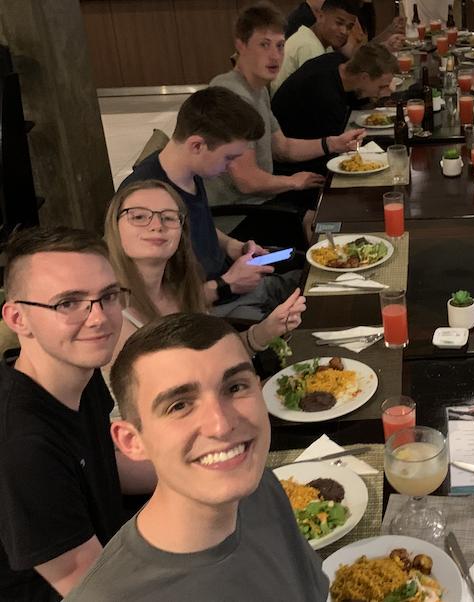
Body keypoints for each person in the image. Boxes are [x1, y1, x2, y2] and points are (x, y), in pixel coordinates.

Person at [65, 313, 329, 600]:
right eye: (179, 406)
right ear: (132, 441)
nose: (221, 424)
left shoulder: (261, 487)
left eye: (235, 387)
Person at [0, 227, 155, 601]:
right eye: (68, 303)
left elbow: (105, 466)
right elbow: (93, 589)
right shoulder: (22, 445)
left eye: (108, 296)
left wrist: (204, 465)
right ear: (17, 318)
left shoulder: (77, 373)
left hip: (115, 549)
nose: (99, 318)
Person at [122, 87, 290, 313]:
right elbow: (152, 306)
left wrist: (232, 245)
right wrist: (227, 285)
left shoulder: (189, 171)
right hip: (210, 310)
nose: (231, 166)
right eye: (228, 158)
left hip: (228, 285)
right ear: (197, 145)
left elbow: (198, 226)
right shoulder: (146, 204)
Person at [203, 2, 365, 237]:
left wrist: (333, 142)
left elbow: (283, 147)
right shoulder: (232, 95)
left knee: (337, 205)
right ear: (241, 45)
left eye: (280, 46)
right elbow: (246, 180)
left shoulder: (256, 89)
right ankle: (283, 266)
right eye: (264, 45)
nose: (274, 55)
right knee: (325, 224)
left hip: (262, 201)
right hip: (236, 220)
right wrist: (292, 182)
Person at [105, 180, 305, 361]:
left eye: (169, 217)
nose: (157, 226)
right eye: (139, 216)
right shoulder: (112, 317)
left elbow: (214, 360)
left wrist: (267, 330)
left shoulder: (182, 289)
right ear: (115, 226)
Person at [272, 43, 398, 175]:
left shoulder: (338, 62)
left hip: (312, 145)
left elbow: (355, 99)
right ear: (364, 77)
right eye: (381, 86)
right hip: (294, 166)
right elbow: (337, 149)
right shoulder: (326, 95)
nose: (386, 91)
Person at [272, 0, 362, 93]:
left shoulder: (321, 44)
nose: (344, 31)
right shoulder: (309, 45)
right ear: (320, 16)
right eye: (339, 23)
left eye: (349, 27)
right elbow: (319, 94)